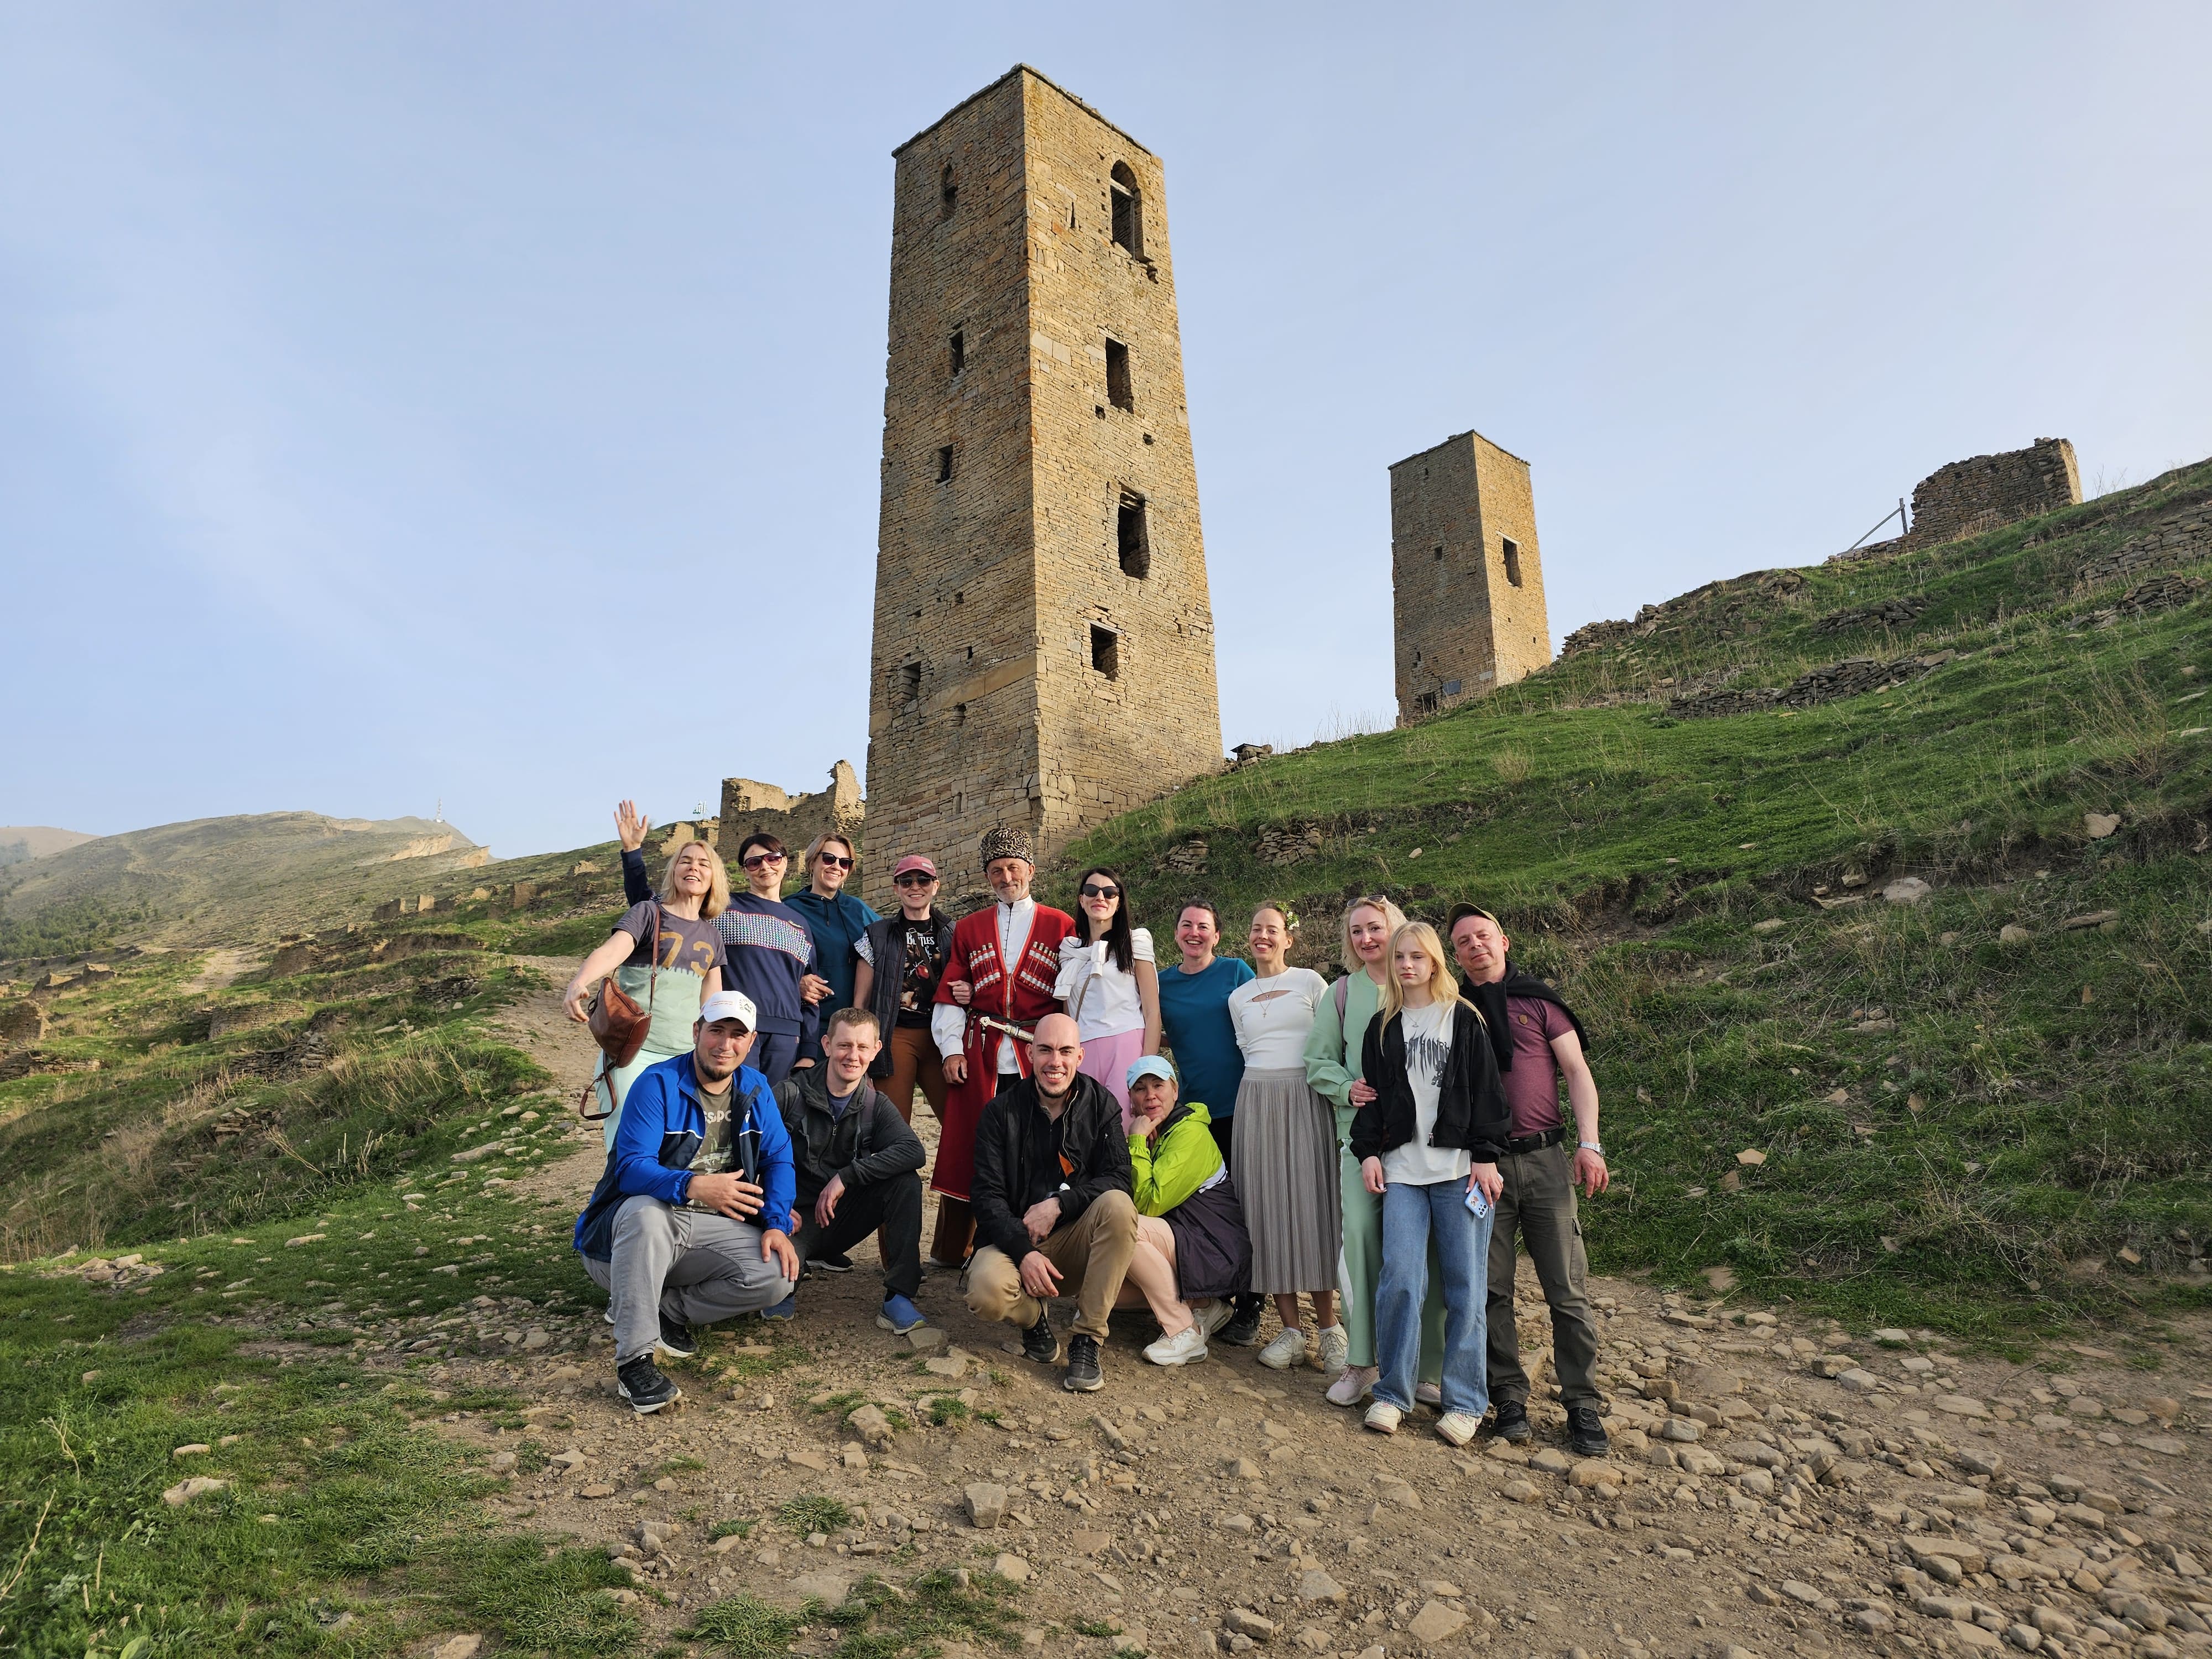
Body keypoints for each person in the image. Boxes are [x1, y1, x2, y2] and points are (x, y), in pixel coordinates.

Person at [572, 990, 800, 1415]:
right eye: (716, 1031)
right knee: (645, 1213)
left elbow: (778, 1159)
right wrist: (694, 1186)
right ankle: (635, 1363)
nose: (725, 1044)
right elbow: (631, 1169)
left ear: (751, 1042)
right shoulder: (656, 1083)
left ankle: (659, 1309)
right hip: (629, 1238)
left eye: (738, 1035)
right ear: (696, 1031)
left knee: (777, 1275)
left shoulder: (756, 1088)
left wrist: (775, 1224)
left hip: (705, 1232)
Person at [1448, 904, 1610, 1457]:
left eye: (1483, 936)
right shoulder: (1453, 1009)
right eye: (1464, 942)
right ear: (1455, 955)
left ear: (1504, 942)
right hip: (1479, 1167)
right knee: (1490, 1290)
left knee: (1566, 1289)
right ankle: (1508, 1397)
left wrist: (1589, 1143)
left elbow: (1577, 1072)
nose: (1475, 946)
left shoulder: (1539, 1003)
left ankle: (1582, 1403)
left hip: (1544, 1162)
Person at [1352, 922, 1509, 1447]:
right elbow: (1374, 1100)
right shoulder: (1382, 1027)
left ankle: (1465, 1403)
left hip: (1460, 1172)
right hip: (1402, 1173)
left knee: (1466, 1287)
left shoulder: (1463, 1018)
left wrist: (1486, 1156)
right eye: (1400, 957)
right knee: (1400, 1280)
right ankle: (1392, 1394)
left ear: (1436, 961)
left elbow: (1488, 1091)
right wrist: (1368, 1153)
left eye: (1417, 956)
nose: (1406, 966)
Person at [1305, 894, 1448, 1408]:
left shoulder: (1425, 988)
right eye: (1357, 930)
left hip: (1426, 1147)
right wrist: (1347, 1088)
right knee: (1363, 1241)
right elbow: (1317, 1059)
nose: (1367, 938)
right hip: (1360, 1140)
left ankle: (1427, 1367)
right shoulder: (1342, 994)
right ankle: (1362, 1359)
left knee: (1426, 1251)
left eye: (1376, 928)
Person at [963, 1012, 1139, 1392]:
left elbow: (1120, 1178)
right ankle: (1034, 1320)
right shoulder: (999, 1112)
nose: (1054, 1062)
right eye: (1045, 1050)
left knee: (1119, 1206)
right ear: (1030, 1054)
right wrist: (1024, 1252)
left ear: (1080, 1056)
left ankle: (1087, 1338)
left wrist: (1061, 1204)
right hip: (1015, 1240)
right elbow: (986, 1197)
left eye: (1065, 1051)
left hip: (1074, 1241)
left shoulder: (1101, 1103)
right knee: (986, 1294)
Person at [930, 826, 1078, 1266]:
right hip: (982, 1052)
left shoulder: (1061, 925)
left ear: (1030, 870)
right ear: (987, 876)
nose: (1006, 877)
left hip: (1039, 1052)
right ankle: (960, 1248)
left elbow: (1074, 993)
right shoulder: (969, 928)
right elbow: (950, 991)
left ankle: (1036, 1242)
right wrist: (951, 1050)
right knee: (977, 1144)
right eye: (997, 870)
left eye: (1013, 868)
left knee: (1039, 1144)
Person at [1228, 903, 1344, 1374]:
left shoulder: (1311, 983)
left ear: (1288, 939)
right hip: (1256, 1098)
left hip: (1306, 1095)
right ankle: (1291, 1331)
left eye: (1272, 929)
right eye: (1256, 929)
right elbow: (1246, 1049)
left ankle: (1331, 1328)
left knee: (1314, 1204)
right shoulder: (1238, 997)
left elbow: (1329, 1043)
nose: (1263, 936)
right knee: (1266, 1207)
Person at [566, 817, 729, 1146]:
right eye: (685, 861)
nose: (693, 868)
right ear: (674, 871)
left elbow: (713, 1001)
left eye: (703, 864)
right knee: (629, 1142)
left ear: (714, 877)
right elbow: (613, 951)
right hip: (634, 1051)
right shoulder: (648, 913)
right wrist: (581, 979)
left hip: (685, 1056)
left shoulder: (713, 935)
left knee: (676, 1145)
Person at [772, 1006, 928, 1334]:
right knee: (773, 1285)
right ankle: (784, 1282)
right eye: (844, 1045)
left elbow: (913, 1151)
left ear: (876, 1050)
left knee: (905, 1182)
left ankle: (898, 1296)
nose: (853, 1056)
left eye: (862, 1047)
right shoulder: (788, 1094)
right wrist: (772, 1208)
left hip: (843, 1218)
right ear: (827, 1045)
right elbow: (749, 1157)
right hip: (793, 1219)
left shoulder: (876, 1104)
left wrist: (846, 1176)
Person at [627, 830, 821, 1088]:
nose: (765, 866)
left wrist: (808, 1050)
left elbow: (811, 994)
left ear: (785, 862)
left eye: (773, 858)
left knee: (771, 1106)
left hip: (786, 1035)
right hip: (735, 1027)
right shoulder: (722, 909)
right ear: (744, 870)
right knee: (729, 1101)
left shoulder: (801, 924)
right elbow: (652, 906)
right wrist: (632, 854)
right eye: (754, 862)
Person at [1153, 899, 1261, 1343]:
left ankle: (1251, 1303)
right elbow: (1153, 1029)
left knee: (1249, 1203)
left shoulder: (1236, 972)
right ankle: (1211, 1294)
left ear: (1217, 935)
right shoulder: (1162, 983)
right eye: (1186, 925)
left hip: (1245, 1106)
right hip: (1195, 1114)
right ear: (1176, 933)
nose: (1194, 933)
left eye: (1203, 926)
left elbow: (1265, 1019)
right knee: (1205, 1207)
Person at [1120, 1055, 1249, 1366]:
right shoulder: (1158, 1131)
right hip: (1190, 1245)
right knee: (1103, 1293)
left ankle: (1183, 1330)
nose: (1150, 1095)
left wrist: (1136, 1142)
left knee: (1124, 1228)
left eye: (1158, 1085)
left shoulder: (1190, 1133)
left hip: (1216, 1252)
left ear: (1175, 1091)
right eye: (1140, 1088)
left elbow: (1148, 1203)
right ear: (1132, 1098)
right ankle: (1204, 1304)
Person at [852, 855, 954, 1128]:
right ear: (896, 888)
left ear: (935, 886)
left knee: (958, 1121)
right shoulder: (876, 935)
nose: (915, 886)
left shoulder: (954, 933)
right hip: (895, 1036)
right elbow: (861, 1001)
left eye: (924, 880)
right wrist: (861, 1049)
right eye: (906, 881)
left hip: (942, 1036)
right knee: (893, 1125)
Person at [1053, 864, 1161, 1124]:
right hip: (1083, 1050)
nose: (1100, 897)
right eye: (1092, 890)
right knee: (1085, 1129)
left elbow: (1152, 1011)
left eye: (1109, 892)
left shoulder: (1135, 942)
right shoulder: (1069, 951)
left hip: (1125, 1044)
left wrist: (1146, 1068)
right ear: (1082, 899)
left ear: (1119, 901)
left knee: (1124, 1126)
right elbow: (1068, 1014)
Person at [784, 831, 879, 1033]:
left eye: (844, 863)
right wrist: (795, 983)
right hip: (809, 1024)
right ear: (812, 862)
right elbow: (770, 964)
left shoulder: (859, 909)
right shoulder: (789, 911)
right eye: (829, 859)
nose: (836, 866)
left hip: (855, 1024)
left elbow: (891, 942)